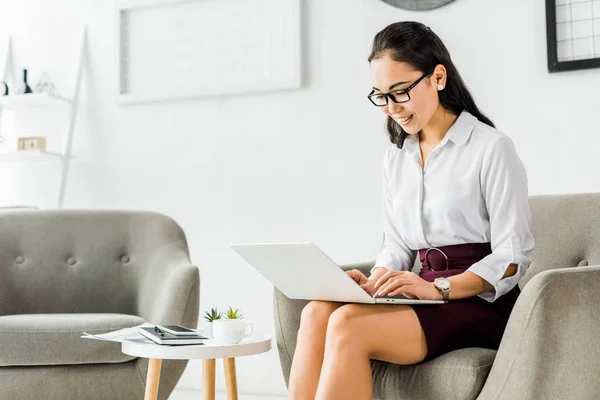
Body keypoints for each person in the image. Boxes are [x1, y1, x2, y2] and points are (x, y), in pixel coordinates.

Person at [287, 21, 535, 400]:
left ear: (437, 77)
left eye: (400, 92)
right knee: (317, 312)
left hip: (480, 303)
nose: (391, 108)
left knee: (348, 326)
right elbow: (397, 246)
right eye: (381, 96)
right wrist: (376, 282)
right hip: (420, 293)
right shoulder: (396, 158)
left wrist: (438, 288)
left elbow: (512, 257)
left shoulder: (491, 148)